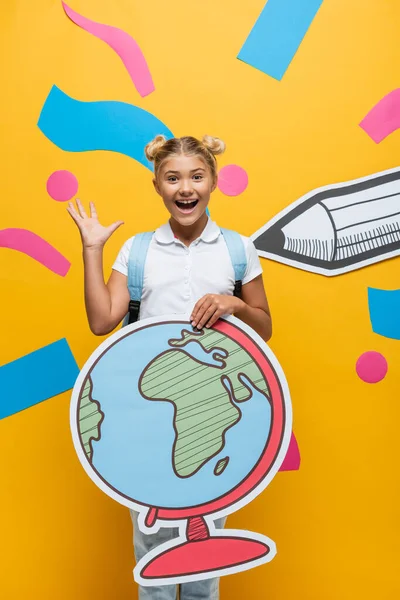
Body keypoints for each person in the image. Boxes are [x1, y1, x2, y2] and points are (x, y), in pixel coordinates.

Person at [67, 134, 272, 600]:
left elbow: (264, 328)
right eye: (173, 177)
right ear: (156, 184)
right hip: (149, 422)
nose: (185, 188)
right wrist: (92, 249)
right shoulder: (138, 252)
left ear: (213, 181)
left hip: (216, 418)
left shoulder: (238, 249)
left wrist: (233, 304)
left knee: (207, 560)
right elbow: (102, 322)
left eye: (196, 177)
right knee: (152, 559)